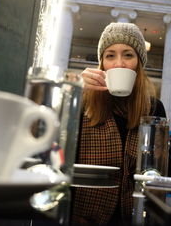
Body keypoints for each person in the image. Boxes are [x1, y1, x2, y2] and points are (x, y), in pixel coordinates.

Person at [71, 22, 166, 225]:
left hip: (134, 217)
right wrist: (72, 92)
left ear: (139, 63)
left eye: (128, 55)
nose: (119, 64)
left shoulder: (154, 108)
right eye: (110, 55)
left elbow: (161, 171)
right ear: (102, 63)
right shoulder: (82, 103)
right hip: (83, 218)